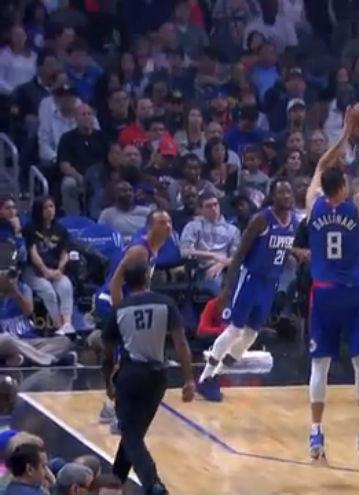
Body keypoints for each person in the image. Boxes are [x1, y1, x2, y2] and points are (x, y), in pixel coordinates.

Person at [305, 113, 359, 463]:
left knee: (320, 365)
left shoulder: (313, 203)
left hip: (323, 292)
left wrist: (341, 138)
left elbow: (320, 166)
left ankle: (316, 432)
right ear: (342, 188)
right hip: (353, 292)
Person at [196, 178, 297, 401]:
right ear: (272, 196)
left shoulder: (293, 222)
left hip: (270, 283)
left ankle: (216, 374)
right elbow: (240, 254)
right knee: (235, 330)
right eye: (281, 192)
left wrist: (292, 255)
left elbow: (281, 248)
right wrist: (226, 288)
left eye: (289, 192)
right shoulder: (261, 220)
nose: (286, 196)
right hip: (251, 279)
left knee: (250, 335)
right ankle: (205, 378)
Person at [102, 262, 195, 495]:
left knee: (130, 434)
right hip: (157, 376)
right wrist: (189, 379)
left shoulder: (119, 309)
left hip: (130, 375)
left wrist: (108, 383)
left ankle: (153, 484)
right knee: (133, 433)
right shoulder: (166, 303)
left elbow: (106, 354)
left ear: (125, 283)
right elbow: (181, 343)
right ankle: (114, 480)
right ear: (147, 278)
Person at [94, 210, 173, 429]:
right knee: (125, 356)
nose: (167, 226)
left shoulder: (155, 249)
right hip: (111, 300)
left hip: (125, 301)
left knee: (128, 355)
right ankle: (116, 411)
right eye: (161, 222)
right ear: (150, 227)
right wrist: (122, 313)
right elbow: (115, 282)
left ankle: (113, 406)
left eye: (169, 221)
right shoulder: (139, 251)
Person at [22, 198, 75, 335]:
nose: (50, 210)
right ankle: (58, 326)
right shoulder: (30, 228)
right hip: (33, 271)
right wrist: (45, 271)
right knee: (48, 291)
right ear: (39, 210)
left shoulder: (60, 229)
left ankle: (67, 324)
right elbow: (33, 253)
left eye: (52, 206)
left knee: (66, 286)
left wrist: (60, 270)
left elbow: (65, 253)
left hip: (54, 269)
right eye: (46, 208)